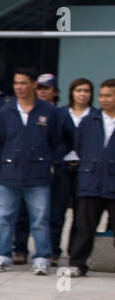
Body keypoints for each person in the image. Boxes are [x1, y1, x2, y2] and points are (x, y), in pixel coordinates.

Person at [0, 67, 65, 274]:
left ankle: (41, 257)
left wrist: (47, 160)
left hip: (38, 174)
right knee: (5, 218)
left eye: (23, 83)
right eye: (16, 83)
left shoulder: (49, 112)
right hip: (9, 174)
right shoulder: (5, 112)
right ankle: (2, 255)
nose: (19, 87)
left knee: (40, 220)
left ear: (33, 85)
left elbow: (57, 140)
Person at [65, 78, 115, 277]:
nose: (103, 99)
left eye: (109, 95)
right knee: (84, 226)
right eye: (101, 95)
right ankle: (77, 263)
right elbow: (79, 146)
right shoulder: (89, 120)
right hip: (91, 181)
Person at [59, 77, 95, 258]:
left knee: (80, 214)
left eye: (86, 91)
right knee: (57, 211)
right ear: (71, 93)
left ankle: (74, 250)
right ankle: (52, 252)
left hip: (85, 169)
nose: (82, 94)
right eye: (79, 90)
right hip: (62, 167)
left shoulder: (95, 115)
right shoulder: (60, 113)